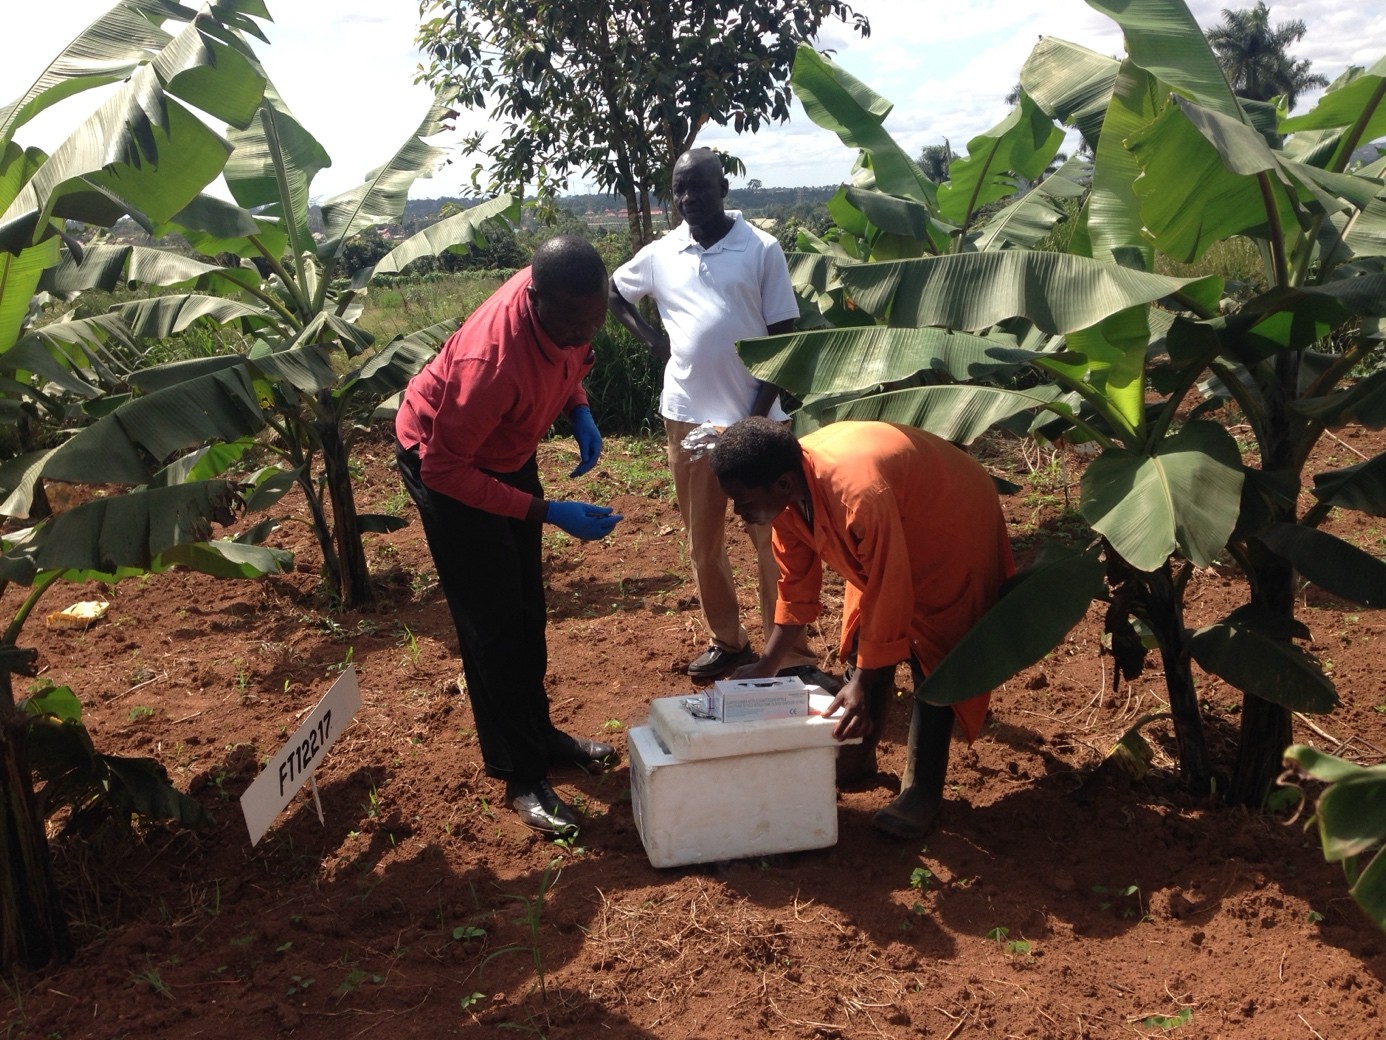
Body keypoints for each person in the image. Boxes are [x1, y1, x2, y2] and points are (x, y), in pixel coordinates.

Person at [395, 235, 623, 839]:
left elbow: (572, 360)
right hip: (445, 463)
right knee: (492, 623)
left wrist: (577, 407)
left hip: (501, 449)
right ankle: (521, 775)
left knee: (526, 608)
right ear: (536, 298)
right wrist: (547, 512)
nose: (584, 334)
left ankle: (540, 736)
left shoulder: (570, 300)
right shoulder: (488, 364)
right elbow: (447, 470)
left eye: (593, 321)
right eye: (573, 323)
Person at [708, 417, 1014, 838]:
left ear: (781, 485)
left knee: (935, 653)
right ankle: (857, 755)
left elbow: (890, 588)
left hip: (948, 516)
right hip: (894, 514)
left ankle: (921, 790)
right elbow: (796, 585)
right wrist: (768, 663)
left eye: (743, 502)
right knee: (865, 635)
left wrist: (862, 683)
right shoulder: (785, 496)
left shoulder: (858, 495)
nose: (739, 513)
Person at [609, 147, 826, 685]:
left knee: (775, 542)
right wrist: (652, 340)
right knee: (702, 541)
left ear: (723, 188)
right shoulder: (661, 253)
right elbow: (614, 292)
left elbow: (783, 341)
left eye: (699, 187)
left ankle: (791, 650)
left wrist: (755, 421)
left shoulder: (760, 249)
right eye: (679, 189)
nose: (688, 199)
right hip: (686, 418)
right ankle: (728, 641)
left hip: (756, 422)